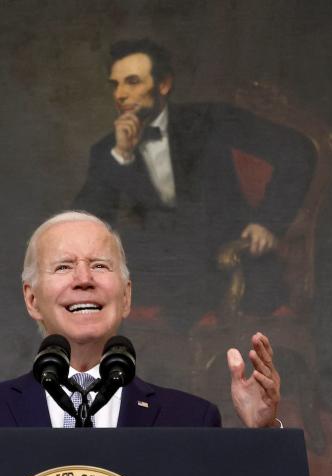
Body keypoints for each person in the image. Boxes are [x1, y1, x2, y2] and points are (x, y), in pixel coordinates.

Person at [0, 211, 281, 429]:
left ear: (125, 296)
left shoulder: (190, 421)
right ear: (32, 299)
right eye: (64, 266)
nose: (84, 280)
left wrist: (263, 436)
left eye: (100, 265)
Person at [72, 38, 314, 329]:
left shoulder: (210, 120)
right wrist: (121, 157)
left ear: (163, 85)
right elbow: (85, 224)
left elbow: (298, 150)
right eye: (116, 85)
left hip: (228, 265)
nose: (121, 94)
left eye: (132, 82)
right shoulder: (108, 150)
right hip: (156, 276)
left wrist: (268, 222)